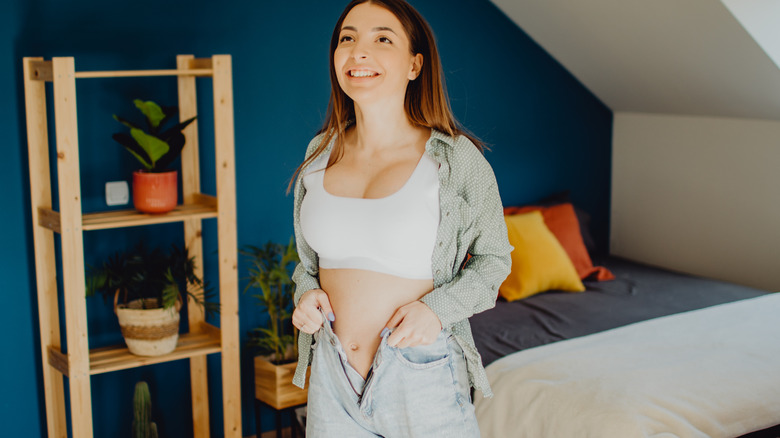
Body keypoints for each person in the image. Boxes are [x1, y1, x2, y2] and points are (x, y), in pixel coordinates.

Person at [289, 0, 512, 436]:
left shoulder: (455, 159)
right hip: (333, 373)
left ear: (415, 64)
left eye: (382, 39)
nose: (359, 52)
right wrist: (306, 295)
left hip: (420, 374)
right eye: (347, 38)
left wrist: (436, 311)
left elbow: (494, 262)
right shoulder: (319, 153)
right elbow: (308, 265)